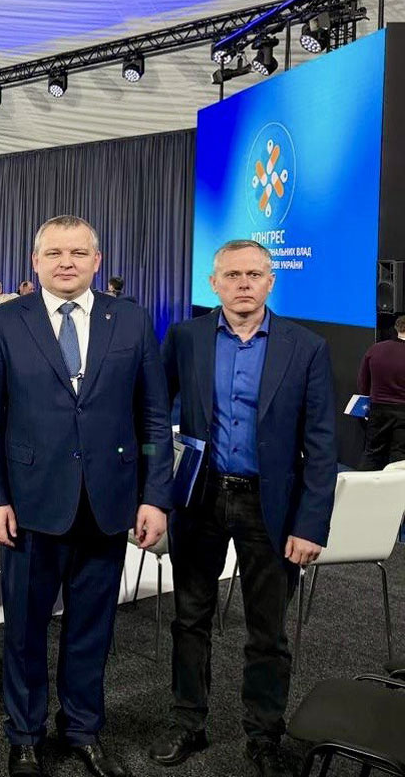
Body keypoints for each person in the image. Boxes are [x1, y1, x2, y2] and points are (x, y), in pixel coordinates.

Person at [0, 214, 172, 777]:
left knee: (92, 629)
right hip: (28, 506)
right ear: (35, 261)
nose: (66, 263)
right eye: (55, 253)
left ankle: (83, 728)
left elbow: (154, 418)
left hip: (107, 505)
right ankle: (24, 736)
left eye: (78, 253)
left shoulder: (131, 320)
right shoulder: (3, 322)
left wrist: (155, 495)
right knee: (25, 632)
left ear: (97, 261)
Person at [149, 240, 337, 777]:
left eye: (254, 274)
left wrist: (310, 524)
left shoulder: (306, 347)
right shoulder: (186, 338)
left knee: (268, 631)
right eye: (232, 275)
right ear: (214, 284)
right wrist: (154, 491)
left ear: (271, 281)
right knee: (190, 617)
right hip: (200, 497)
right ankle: (188, 722)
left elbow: (322, 445)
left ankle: (264, 736)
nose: (243, 284)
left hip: (271, 506)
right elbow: (155, 415)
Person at [357, 315, 405, 469]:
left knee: (372, 453)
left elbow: (363, 382)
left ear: (397, 328)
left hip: (377, 409)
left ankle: (362, 483)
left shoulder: (376, 349)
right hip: (403, 412)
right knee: (400, 457)